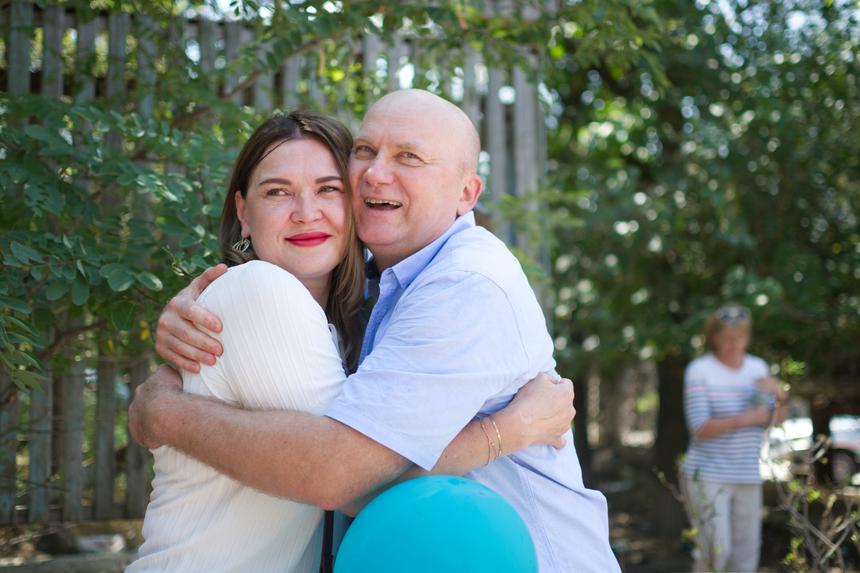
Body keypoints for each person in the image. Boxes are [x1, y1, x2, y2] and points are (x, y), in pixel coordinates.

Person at [130, 89, 620, 572]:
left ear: (466, 193)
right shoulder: (360, 288)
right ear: (243, 209)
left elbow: (340, 475)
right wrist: (504, 431)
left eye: (408, 156)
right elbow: (341, 474)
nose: (375, 173)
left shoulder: (462, 285)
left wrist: (165, 413)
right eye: (364, 152)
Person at [682, 304, 790, 572]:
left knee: (745, 558)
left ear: (748, 337)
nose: (733, 344)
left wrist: (780, 394)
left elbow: (777, 417)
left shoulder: (757, 368)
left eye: (739, 337)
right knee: (717, 553)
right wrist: (748, 419)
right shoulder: (700, 370)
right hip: (707, 474)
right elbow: (700, 427)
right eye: (727, 337)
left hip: (747, 474)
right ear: (714, 337)